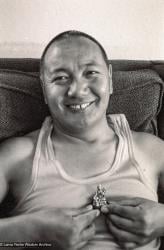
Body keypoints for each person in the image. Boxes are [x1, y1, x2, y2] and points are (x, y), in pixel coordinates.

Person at [0, 30, 164, 250]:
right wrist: (29, 231)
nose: (77, 90)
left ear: (110, 79)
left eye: (91, 73)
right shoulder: (17, 155)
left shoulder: (150, 149)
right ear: (44, 89)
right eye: (60, 78)